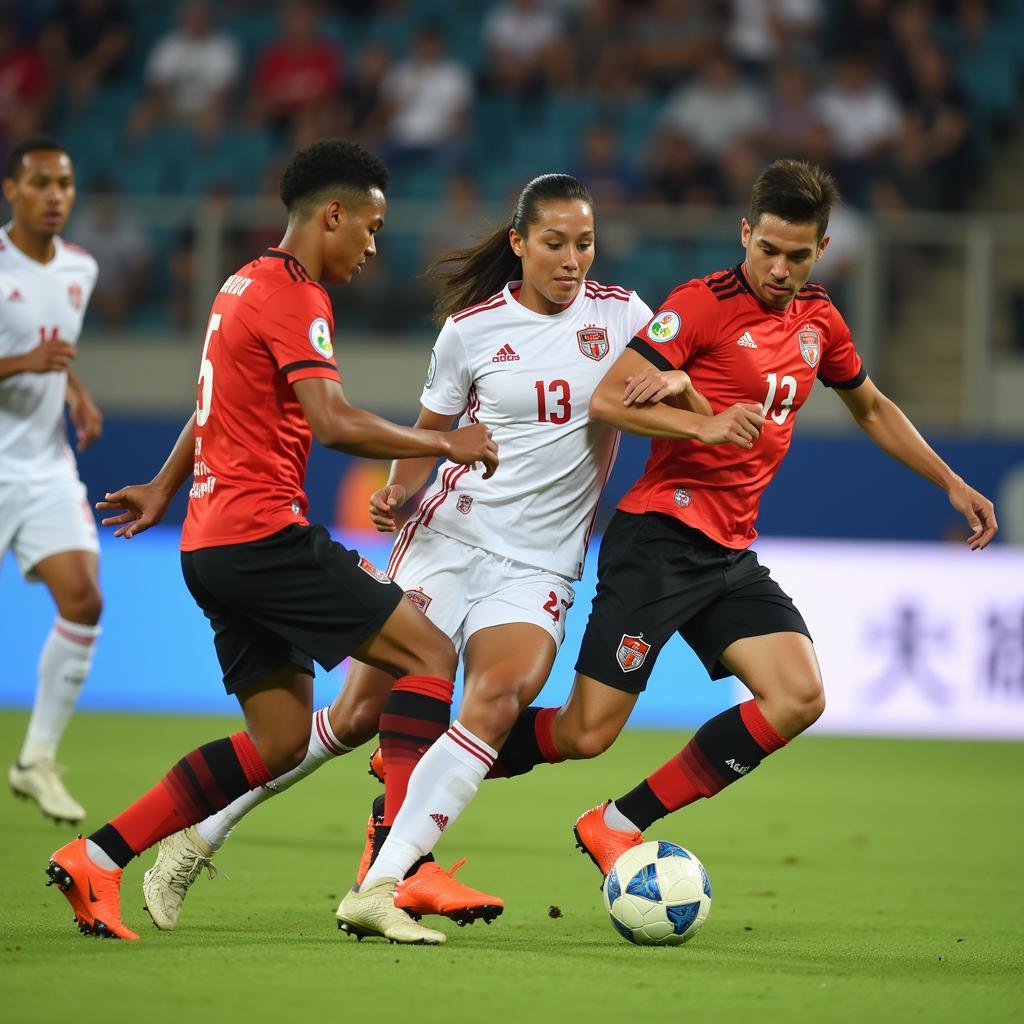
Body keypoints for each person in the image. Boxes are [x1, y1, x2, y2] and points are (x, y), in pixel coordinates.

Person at [350, 158, 997, 920]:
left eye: (799, 255)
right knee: (587, 732)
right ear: (745, 234)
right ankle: (420, 784)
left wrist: (950, 482)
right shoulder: (697, 307)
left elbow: (873, 406)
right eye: (770, 251)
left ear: (821, 251)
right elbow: (611, 400)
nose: (782, 269)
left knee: (798, 696)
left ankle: (615, 824)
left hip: (728, 552)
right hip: (658, 541)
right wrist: (703, 420)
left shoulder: (820, 319)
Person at [140, 172, 758, 937]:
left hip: (540, 566)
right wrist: (400, 491)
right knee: (356, 714)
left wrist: (673, 380)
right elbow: (432, 427)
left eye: (585, 244)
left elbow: (680, 379)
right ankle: (200, 835)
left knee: (495, 703)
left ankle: (388, 878)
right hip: (450, 541)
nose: (573, 260)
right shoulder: (470, 330)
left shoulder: (623, 314)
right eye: (556, 243)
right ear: (519, 243)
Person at [44, 138, 497, 945]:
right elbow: (331, 421)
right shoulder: (295, 296)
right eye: (370, 226)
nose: (372, 245)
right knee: (429, 654)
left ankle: (99, 855)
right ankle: (393, 871)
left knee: (282, 740)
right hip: (265, 538)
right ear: (333, 214)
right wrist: (442, 443)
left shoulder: (240, 282)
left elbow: (216, 402)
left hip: (210, 545)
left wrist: (163, 483)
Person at [2, 136, 102, 825]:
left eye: (64, 183)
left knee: (84, 599)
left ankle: (35, 759)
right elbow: (33, 349)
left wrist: (73, 388)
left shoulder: (80, 269)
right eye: (40, 183)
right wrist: (26, 362)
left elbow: (52, 348)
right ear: (12, 191)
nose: (54, 195)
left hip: (41, 463)